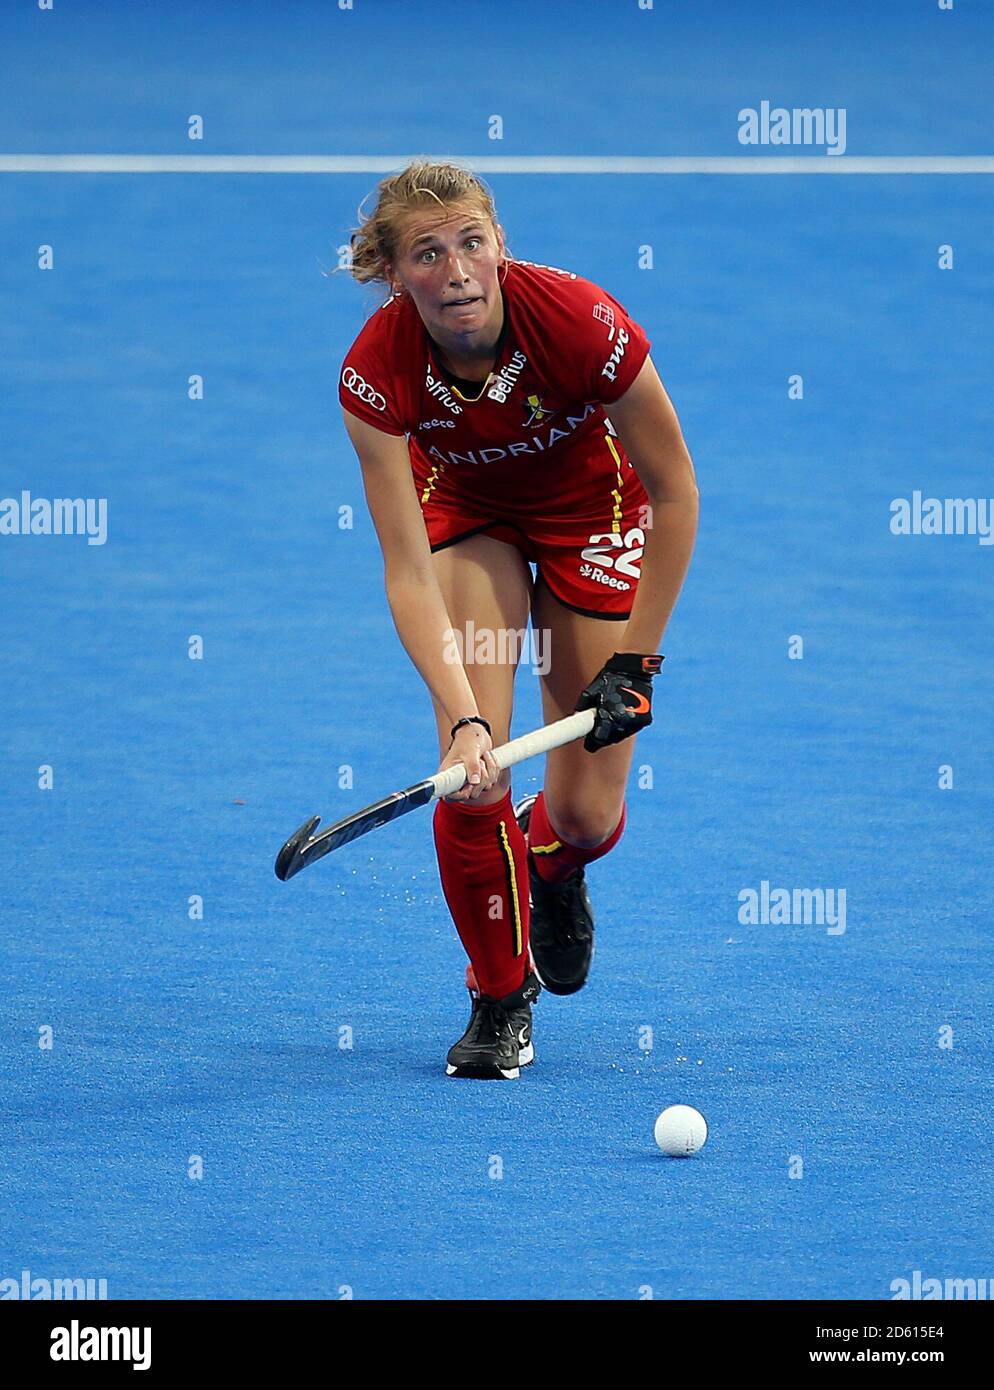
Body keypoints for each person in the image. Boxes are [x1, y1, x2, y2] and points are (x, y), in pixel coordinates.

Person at [338, 161, 698, 1079]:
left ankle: (550, 862)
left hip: (593, 513)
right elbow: (407, 569)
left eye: (471, 244)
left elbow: (677, 489)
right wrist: (461, 721)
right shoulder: (376, 374)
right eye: (428, 252)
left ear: (500, 248)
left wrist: (638, 662)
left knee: (585, 814)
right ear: (393, 272)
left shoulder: (579, 322)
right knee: (472, 774)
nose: (455, 270)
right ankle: (498, 998)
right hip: (467, 517)